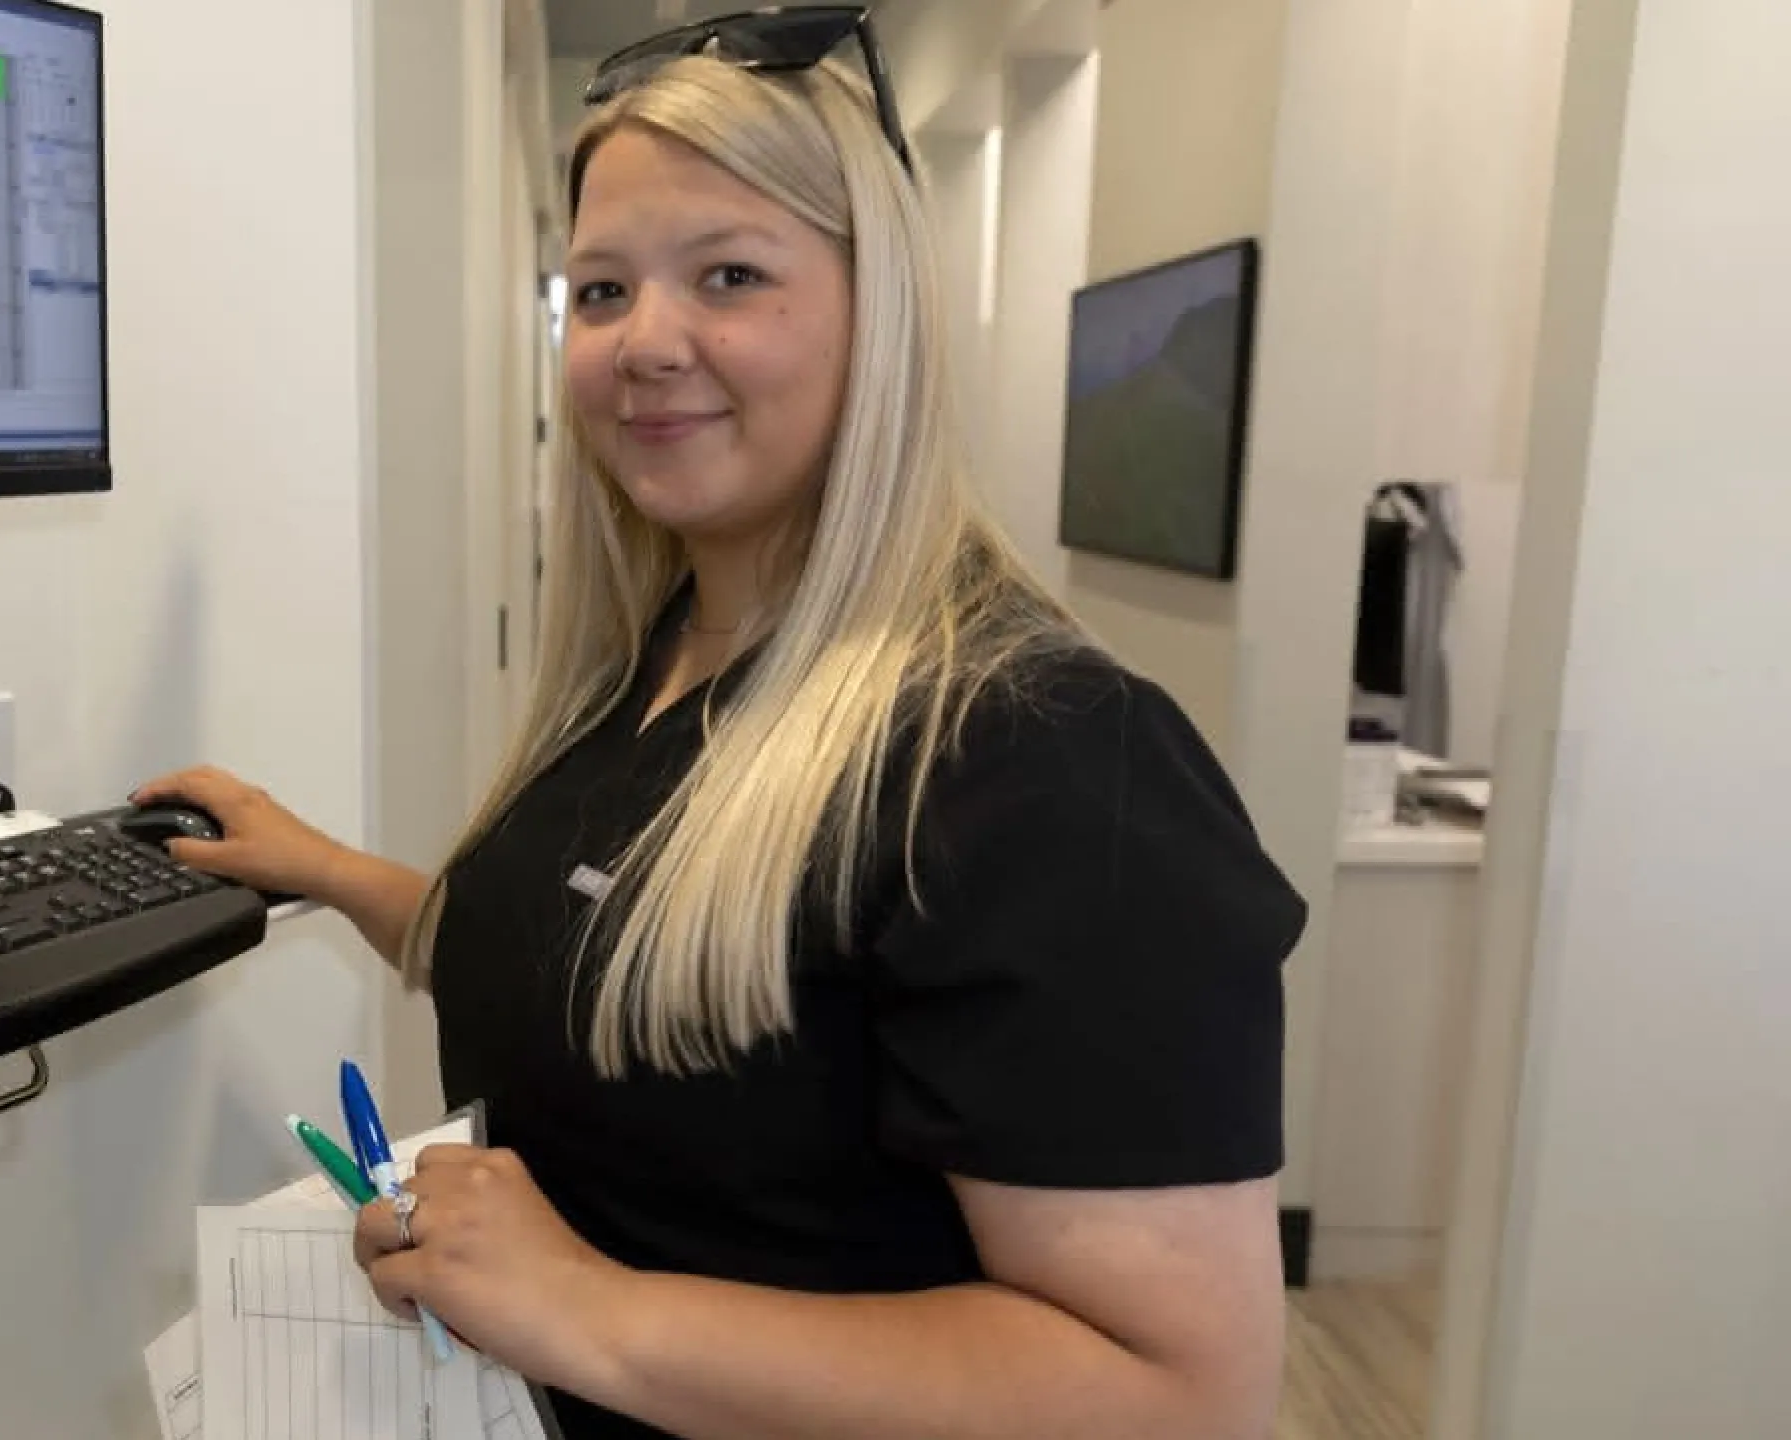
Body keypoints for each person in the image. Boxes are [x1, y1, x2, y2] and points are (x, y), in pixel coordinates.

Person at [130, 9, 1306, 1437]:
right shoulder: (659, 662)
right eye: (605, 291)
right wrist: (330, 871)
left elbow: (1182, 1395)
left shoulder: (1041, 759)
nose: (645, 343)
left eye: (731, 275)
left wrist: (590, 1311)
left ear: (883, 316)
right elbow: (646, 985)